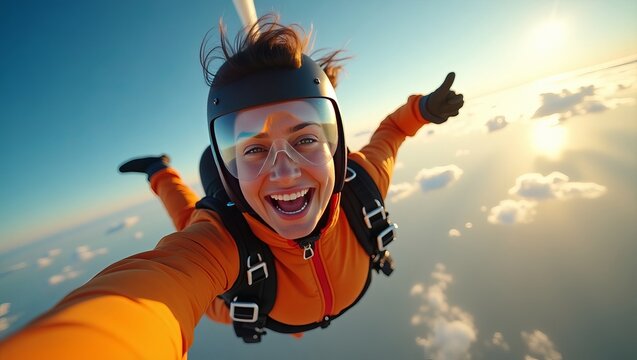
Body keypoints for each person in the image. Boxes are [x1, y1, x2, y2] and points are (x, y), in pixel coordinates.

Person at [0, 14, 463, 358]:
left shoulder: (362, 185)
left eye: (305, 139)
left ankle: (165, 170)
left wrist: (421, 109)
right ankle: (162, 172)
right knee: (197, 220)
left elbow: (389, 135)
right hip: (253, 300)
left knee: (200, 219)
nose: (285, 173)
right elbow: (147, 297)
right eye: (254, 150)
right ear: (231, 166)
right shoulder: (219, 246)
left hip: (281, 307)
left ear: (336, 148)